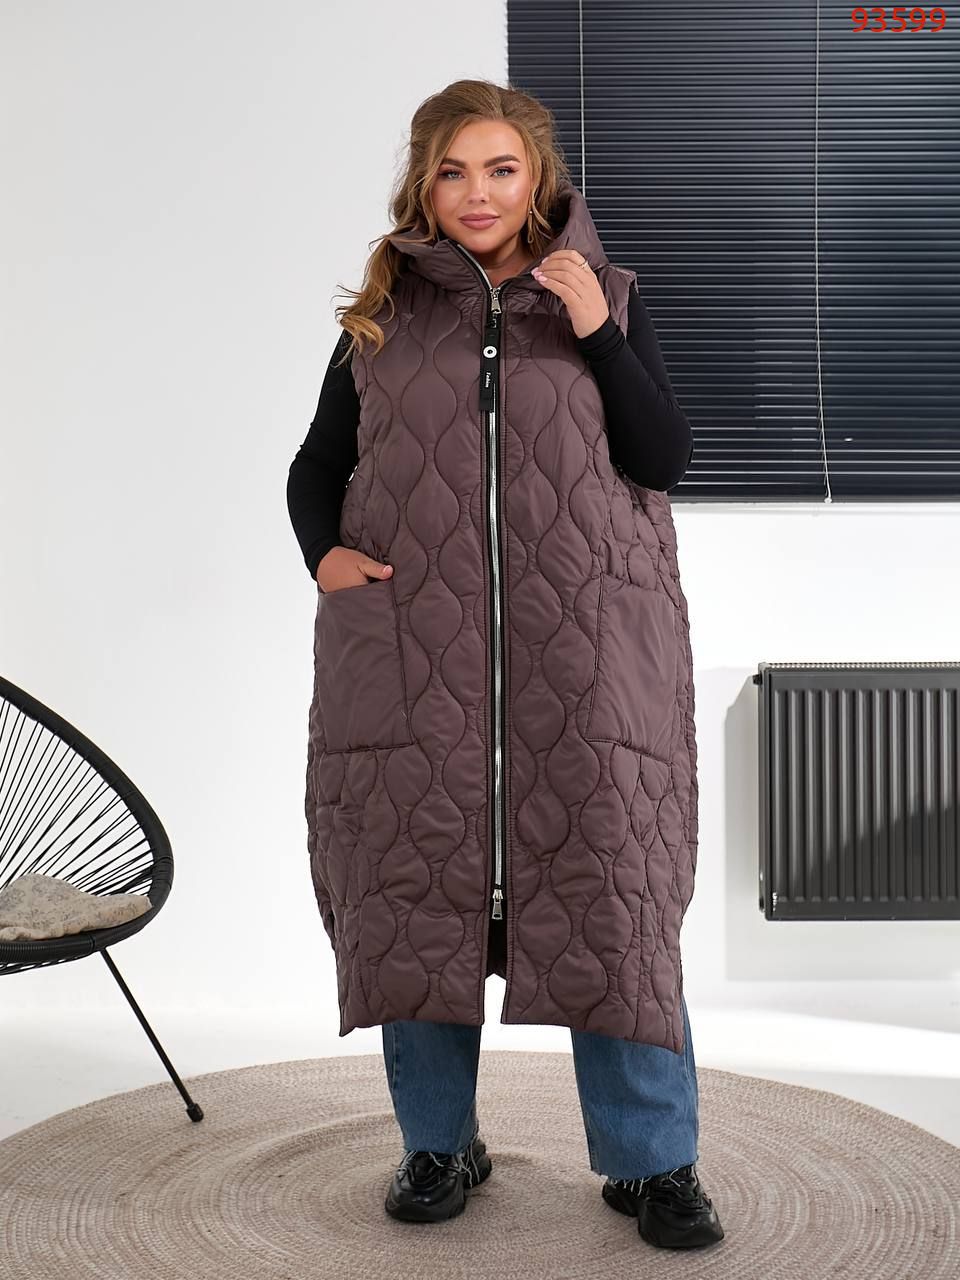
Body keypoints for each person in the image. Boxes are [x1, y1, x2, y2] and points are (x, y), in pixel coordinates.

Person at [286, 78, 723, 1251]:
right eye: (451, 172)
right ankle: (439, 1142)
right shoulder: (383, 317)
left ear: (539, 180)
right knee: (415, 890)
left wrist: (592, 329)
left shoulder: (608, 294)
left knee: (613, 895)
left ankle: (655, 1162)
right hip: (413, 653)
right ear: (423, 185)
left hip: (589, 656)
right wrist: (325, 554)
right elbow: (319, 463)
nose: (475, 194)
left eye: (499, 169)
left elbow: (664, 455)